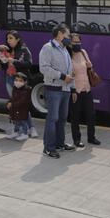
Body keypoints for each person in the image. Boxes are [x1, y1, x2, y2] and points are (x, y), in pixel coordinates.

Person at [39, 23, 76, 159]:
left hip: (65, 89)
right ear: (60, 34)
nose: (69, 37)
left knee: (62, 119)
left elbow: (70, 71)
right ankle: (48, 148)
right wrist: (62, 76)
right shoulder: (48, 48)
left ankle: (60, 144)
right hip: (54, 89)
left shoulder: (64, 49)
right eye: (68, 34)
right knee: (53, 119)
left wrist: (73, 89)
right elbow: (43, 68)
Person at [0, 30, 38, 138]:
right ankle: (17, 129)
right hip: (9, 79)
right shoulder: (6, 50)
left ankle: (30, 128)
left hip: (20, 80)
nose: (8, 41)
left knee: (22, 105)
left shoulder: (24, 49)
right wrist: (0, 57)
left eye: (11, 38)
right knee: (14, 105)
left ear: (17, 39)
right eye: (7, 38)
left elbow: (28, 64)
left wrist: (14, 61)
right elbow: (4, 65)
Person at [67, 33, 101, 148]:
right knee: (75, 116)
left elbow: (89, 68)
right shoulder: (67, 55)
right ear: (69, 43)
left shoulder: (83, 52)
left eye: (78, 42)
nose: (77, 44)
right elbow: (68, 74)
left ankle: (91, 137)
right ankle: (77, 139)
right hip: (75, 90)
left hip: (87, 88)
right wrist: (72, 90)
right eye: (75, 42)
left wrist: (90, 66)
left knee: (91, 115)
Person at [5, 72, 31, 141]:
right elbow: (12, 97)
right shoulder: (15, 88)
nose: (17, 82)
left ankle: (25, 133)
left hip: (22, 110)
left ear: (25, 82)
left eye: (20, 81)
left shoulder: (26, 90)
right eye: (16, 80)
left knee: (22, 121)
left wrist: (12, 104)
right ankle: (16, 132)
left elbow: (22, 101)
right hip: (15, 109)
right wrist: (9, 102)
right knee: (16, 121)